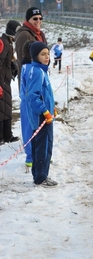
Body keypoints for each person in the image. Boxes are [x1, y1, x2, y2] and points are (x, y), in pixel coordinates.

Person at [26, 41, 57, 187]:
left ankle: (41, 175)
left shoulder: (42, 70)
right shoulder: (37, 72)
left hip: (46, 116)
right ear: (35, 56)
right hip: (41, 118)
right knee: (42, 148)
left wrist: (52, 108)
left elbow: (46, 95)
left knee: (46, 145)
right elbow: (33, 96)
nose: (47, 57)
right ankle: (40, 178)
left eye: (48, 54)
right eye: (43, 54)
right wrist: (44, 111)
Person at [0, 20, 21, 144]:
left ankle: (7, 135)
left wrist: (13, 67)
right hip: (1, 81)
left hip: (5, 80)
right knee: (3, 108)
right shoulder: (3, 43)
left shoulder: (8, 42)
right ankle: (3, 137)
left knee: (6, 108)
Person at [15, 7, 47, 86]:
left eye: (40, 18)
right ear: (28, 20)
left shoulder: (40, 34)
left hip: (40, 75)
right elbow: (23, 61)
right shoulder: (24, 35)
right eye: (35, 18)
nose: (38, 21)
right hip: (30, 80)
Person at [19, 40, 35, 168]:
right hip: (30, 103)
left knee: (31, 129)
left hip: (28, 102)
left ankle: (35, 155)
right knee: (29, 129)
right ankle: (31, 156)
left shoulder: (28, 66)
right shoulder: (30, 68)